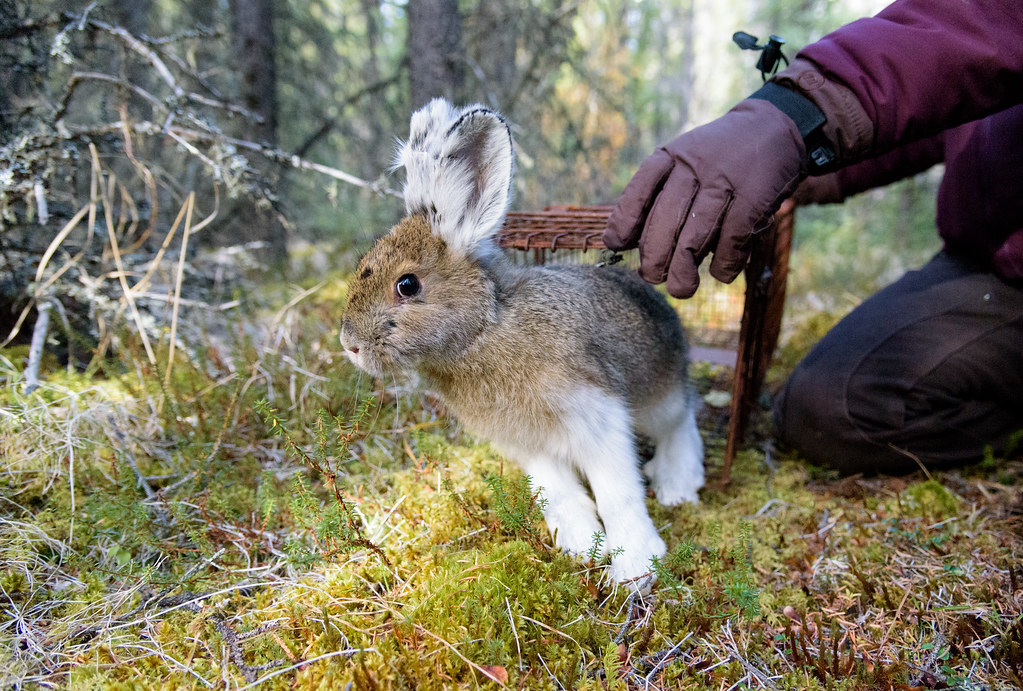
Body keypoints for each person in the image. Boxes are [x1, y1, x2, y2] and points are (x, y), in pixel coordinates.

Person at [603, 0, 1023, 474]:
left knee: (837, 407)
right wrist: (806, 164)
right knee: (824, 402)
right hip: (980, 258)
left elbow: (978, 24)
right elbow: (938, 109)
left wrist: (794, 114)